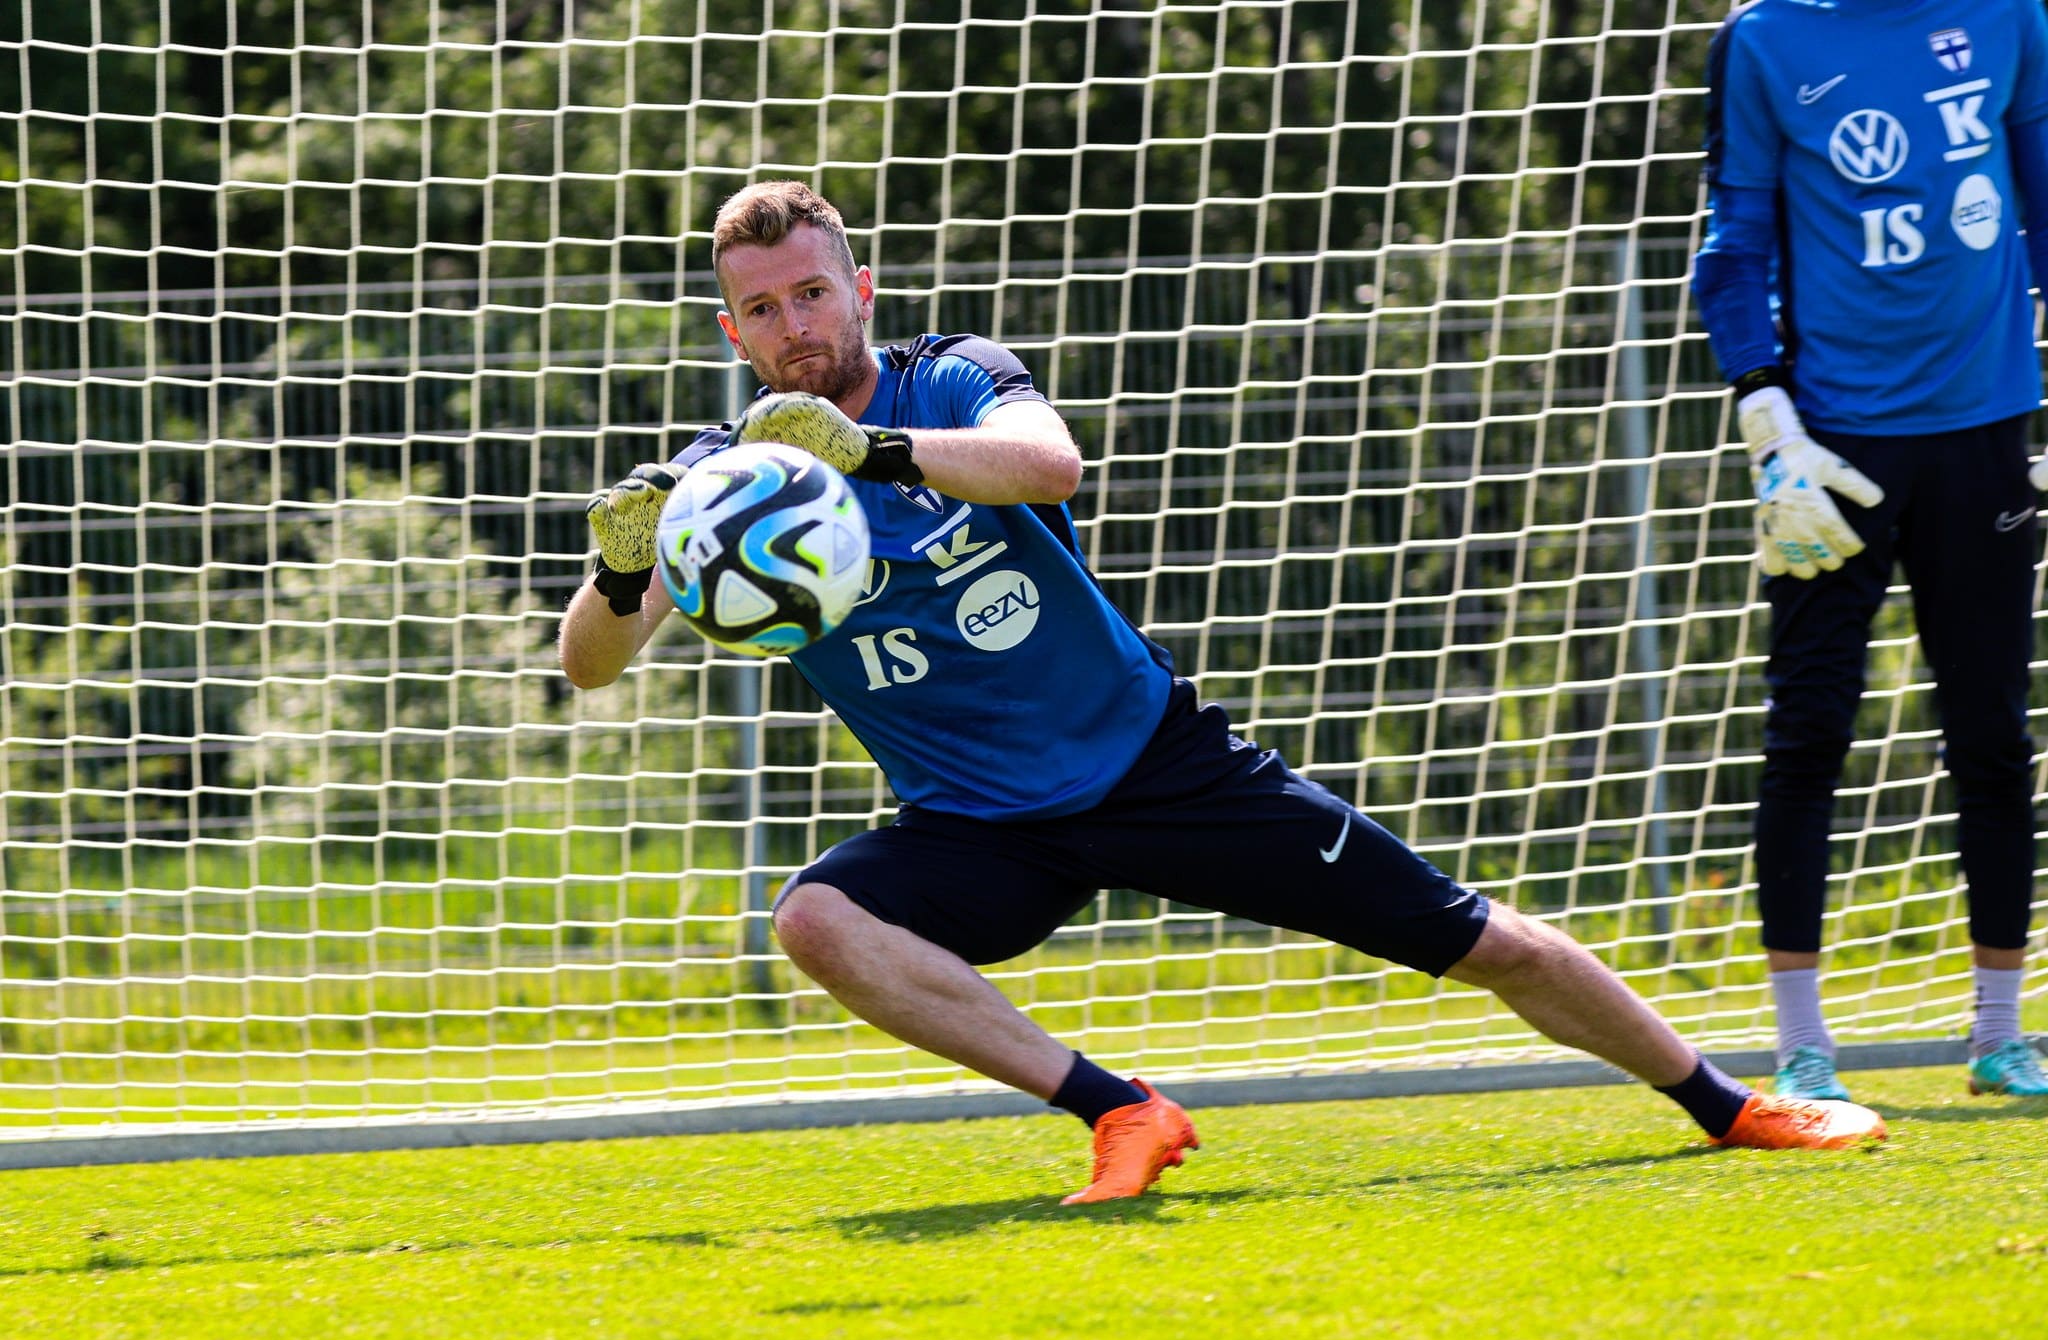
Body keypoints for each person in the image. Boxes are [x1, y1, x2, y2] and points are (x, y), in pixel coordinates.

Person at [561, 180, 1887, 1204]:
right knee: (817, 920)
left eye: (812, 294)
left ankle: (1730, 1104)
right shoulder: (725, 488)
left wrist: (879, 450)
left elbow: (1048, 465)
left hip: (1155, 763)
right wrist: (623, 575)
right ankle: (1119, 1108)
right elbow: (587, 665)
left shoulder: (944, 377)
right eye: (765, 310)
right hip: (977, 825)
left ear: (859, 285)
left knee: (1484, 941)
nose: (796, 329)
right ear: (731, 328)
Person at [1693, 0, 2048, 1101]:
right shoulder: (1762, 41)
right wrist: (1763, 409)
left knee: (1989, 734)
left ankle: (2000, 1035)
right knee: (1806, 733)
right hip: (1827, 454)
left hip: (1985, 434)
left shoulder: (2008, 17)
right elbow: (1732, 245)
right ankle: (1802, 1053)